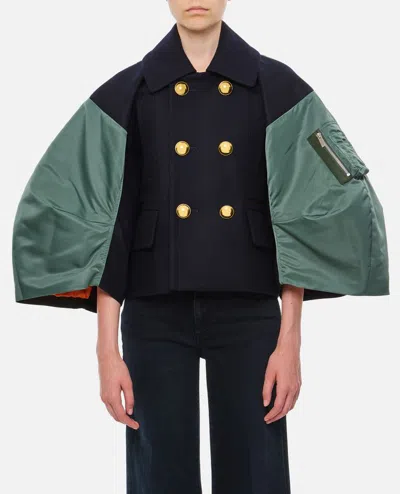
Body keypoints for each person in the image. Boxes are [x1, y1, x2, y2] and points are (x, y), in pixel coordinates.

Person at [11, 1, 390, 493]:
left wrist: (291, 341)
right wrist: (106, 350)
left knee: (257, 476)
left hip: (249, 311)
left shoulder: (276, 88)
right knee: (158, 480)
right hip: (153, 313)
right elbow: (110, 224)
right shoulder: (130, 92)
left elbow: (300, 214)